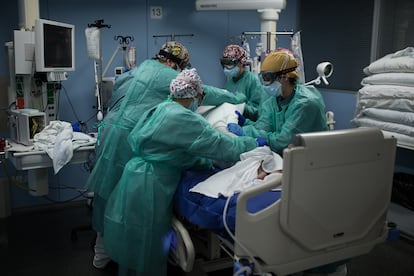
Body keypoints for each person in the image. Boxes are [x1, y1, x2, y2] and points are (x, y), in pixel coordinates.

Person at [87, 41, 249, 269]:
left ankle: (102, 254)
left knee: (110, 197)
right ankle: (130, 254)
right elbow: (205, 94)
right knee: (128, 206)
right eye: (182, 68)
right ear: (174, 63)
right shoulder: (169, 81)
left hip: (110, 133)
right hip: (128, 144)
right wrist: (234, 98)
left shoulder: (136, 71)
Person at [227, 49, 328, 155]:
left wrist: (253, 135)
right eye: (262, 77)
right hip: (287, 157)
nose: (264, 83)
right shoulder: (274, 100)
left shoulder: (305, 103)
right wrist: (246, 124)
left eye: (267, 77)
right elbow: (263, 128)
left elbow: (283, 141)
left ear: (284, 77)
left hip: (314, 159)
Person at [221, 44, 268, 121]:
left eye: (230, 64)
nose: (226, 68)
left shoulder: (253, 80)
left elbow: (258, 111)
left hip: (248, 124)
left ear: (241, 63)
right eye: (225, 64)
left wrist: (241, 107)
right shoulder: (229, 83)